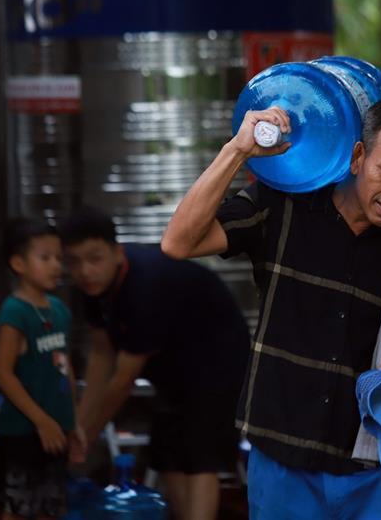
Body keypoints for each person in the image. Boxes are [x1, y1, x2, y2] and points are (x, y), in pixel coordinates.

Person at [161, 96, 381, 519]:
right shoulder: (281, 203)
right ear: (358, 157)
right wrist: (237, 150)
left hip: (376, 461)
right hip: (283, 457)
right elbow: (178, 243)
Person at [59, 208, 250, 520]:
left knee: (199, 455)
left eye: (94, 258)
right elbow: (101, 356)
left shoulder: (143, 286)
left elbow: (122, 381)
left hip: (218, 360)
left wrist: (85, 438)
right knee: (166, 452)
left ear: (116, 252)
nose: (84, 271)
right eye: (74, 262)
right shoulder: (92, 291)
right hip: (172, 370)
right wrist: (79, 425)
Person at [0, 218, 84, 519]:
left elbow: (65, 366)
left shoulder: (60, 310)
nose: (56, 266)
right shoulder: (14, 311)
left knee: (50, 507)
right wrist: (42, 421)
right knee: (18, 507)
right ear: (18, 263)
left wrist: (73, 420)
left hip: (56, 431)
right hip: (24, 432)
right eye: (45, 258)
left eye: (58, 258)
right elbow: (4, 373)